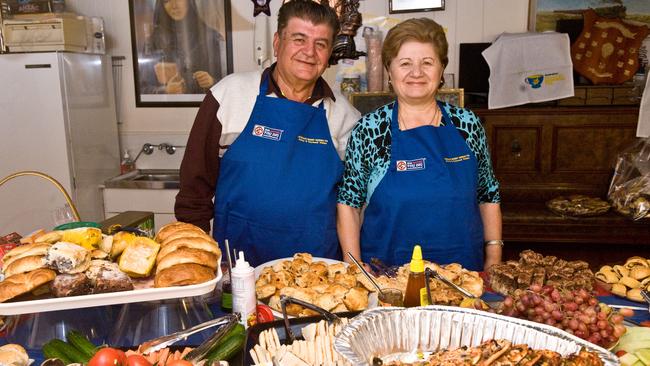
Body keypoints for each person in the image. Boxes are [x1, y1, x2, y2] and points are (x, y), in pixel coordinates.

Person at [175, 0, 360, 266]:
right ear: (277, 42)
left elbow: (352, 205)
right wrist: (195, 258)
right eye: (299, 39)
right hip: (238, 269)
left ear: (329, 52)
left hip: (319, 274)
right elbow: (194, 189)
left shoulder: (346, 117)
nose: (309, 52)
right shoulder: (228, 95)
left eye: (320, 44)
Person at [336, 18, 502, 271]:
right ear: (389, 70)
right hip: (386, 274)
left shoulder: (467, 125)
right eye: (405, 64)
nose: (416, 73)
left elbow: (487, 194)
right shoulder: (370, 130)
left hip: (463, 273)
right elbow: (349, 204)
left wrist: (493, 255)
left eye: (427, 63)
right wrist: (354, 266)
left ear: (441, 69)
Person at [150, 0, 225, 94]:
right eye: (166, 1)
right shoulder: (154, 41)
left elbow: (231, 82)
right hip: (165, 108)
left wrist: (212, 82)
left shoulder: (211, 37)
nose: (174, 6)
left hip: (204, 106)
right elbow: (140, 88)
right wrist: (165, 91)